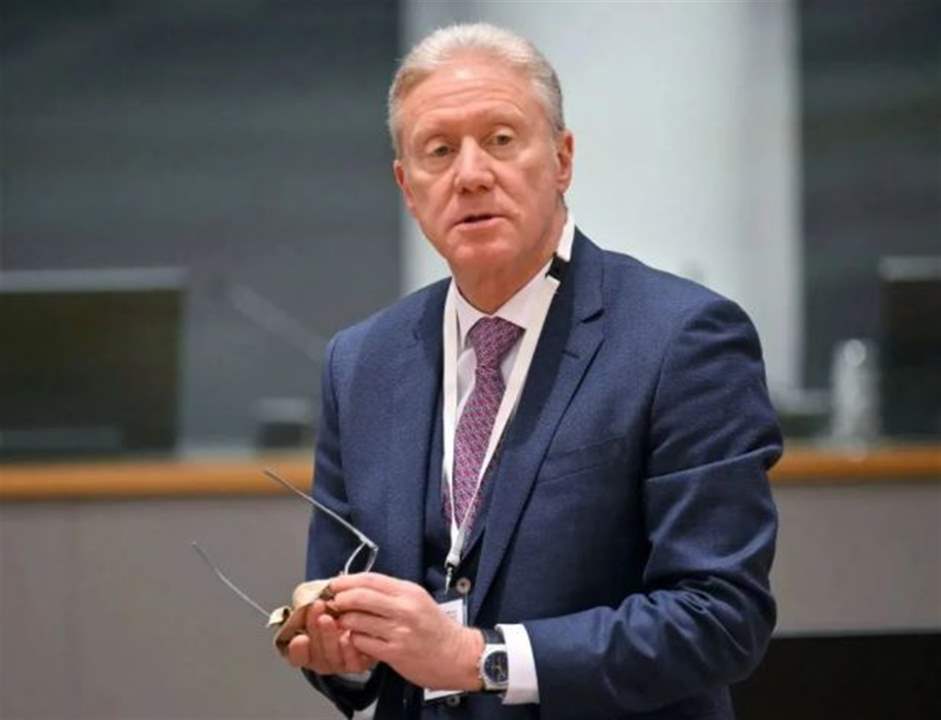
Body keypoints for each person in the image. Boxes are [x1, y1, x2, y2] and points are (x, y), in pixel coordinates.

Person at [283, 23, 781, 720]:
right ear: (406, 186)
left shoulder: (681, 338)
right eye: (438, 150)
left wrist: (477, 658)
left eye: (500, 139)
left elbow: (718, 618)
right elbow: (341, 605)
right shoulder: (361, 361)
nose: (470, 174)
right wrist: (342, 649)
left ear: (562, 159)